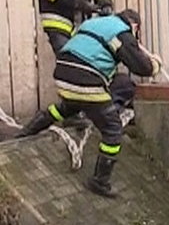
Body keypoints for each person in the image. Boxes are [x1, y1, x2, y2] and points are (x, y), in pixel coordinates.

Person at [16, 10, 160, 197]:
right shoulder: (123, 33)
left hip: (63, 73)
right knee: (112, 129)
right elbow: (142, 68)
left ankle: (26, 132)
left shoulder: (94, 23)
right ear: (135, 26)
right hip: (87, 79)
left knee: (68, 107)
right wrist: (155, 64)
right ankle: (100, 181)